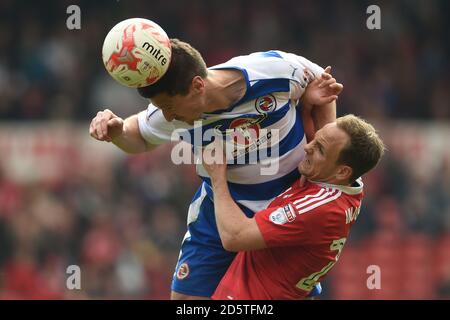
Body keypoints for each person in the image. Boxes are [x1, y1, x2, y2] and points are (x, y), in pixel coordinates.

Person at [89, 38, 343, 299]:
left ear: (198, 86)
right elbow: (140, 136)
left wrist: (323, 166)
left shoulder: (272, 71)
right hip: (220, 208)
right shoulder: (172, 112)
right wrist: (117, 131)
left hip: (286, 210)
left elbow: (323, 87)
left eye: (169, 107)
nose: (167, 117)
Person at [201, 114, 385, 300]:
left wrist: (217, 178)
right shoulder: (348, 182)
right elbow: (329, 137)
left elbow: (234, 237)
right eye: (315, 140)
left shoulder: (319, 208)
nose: (307, 147)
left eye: (319, 149)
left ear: (342, 172)